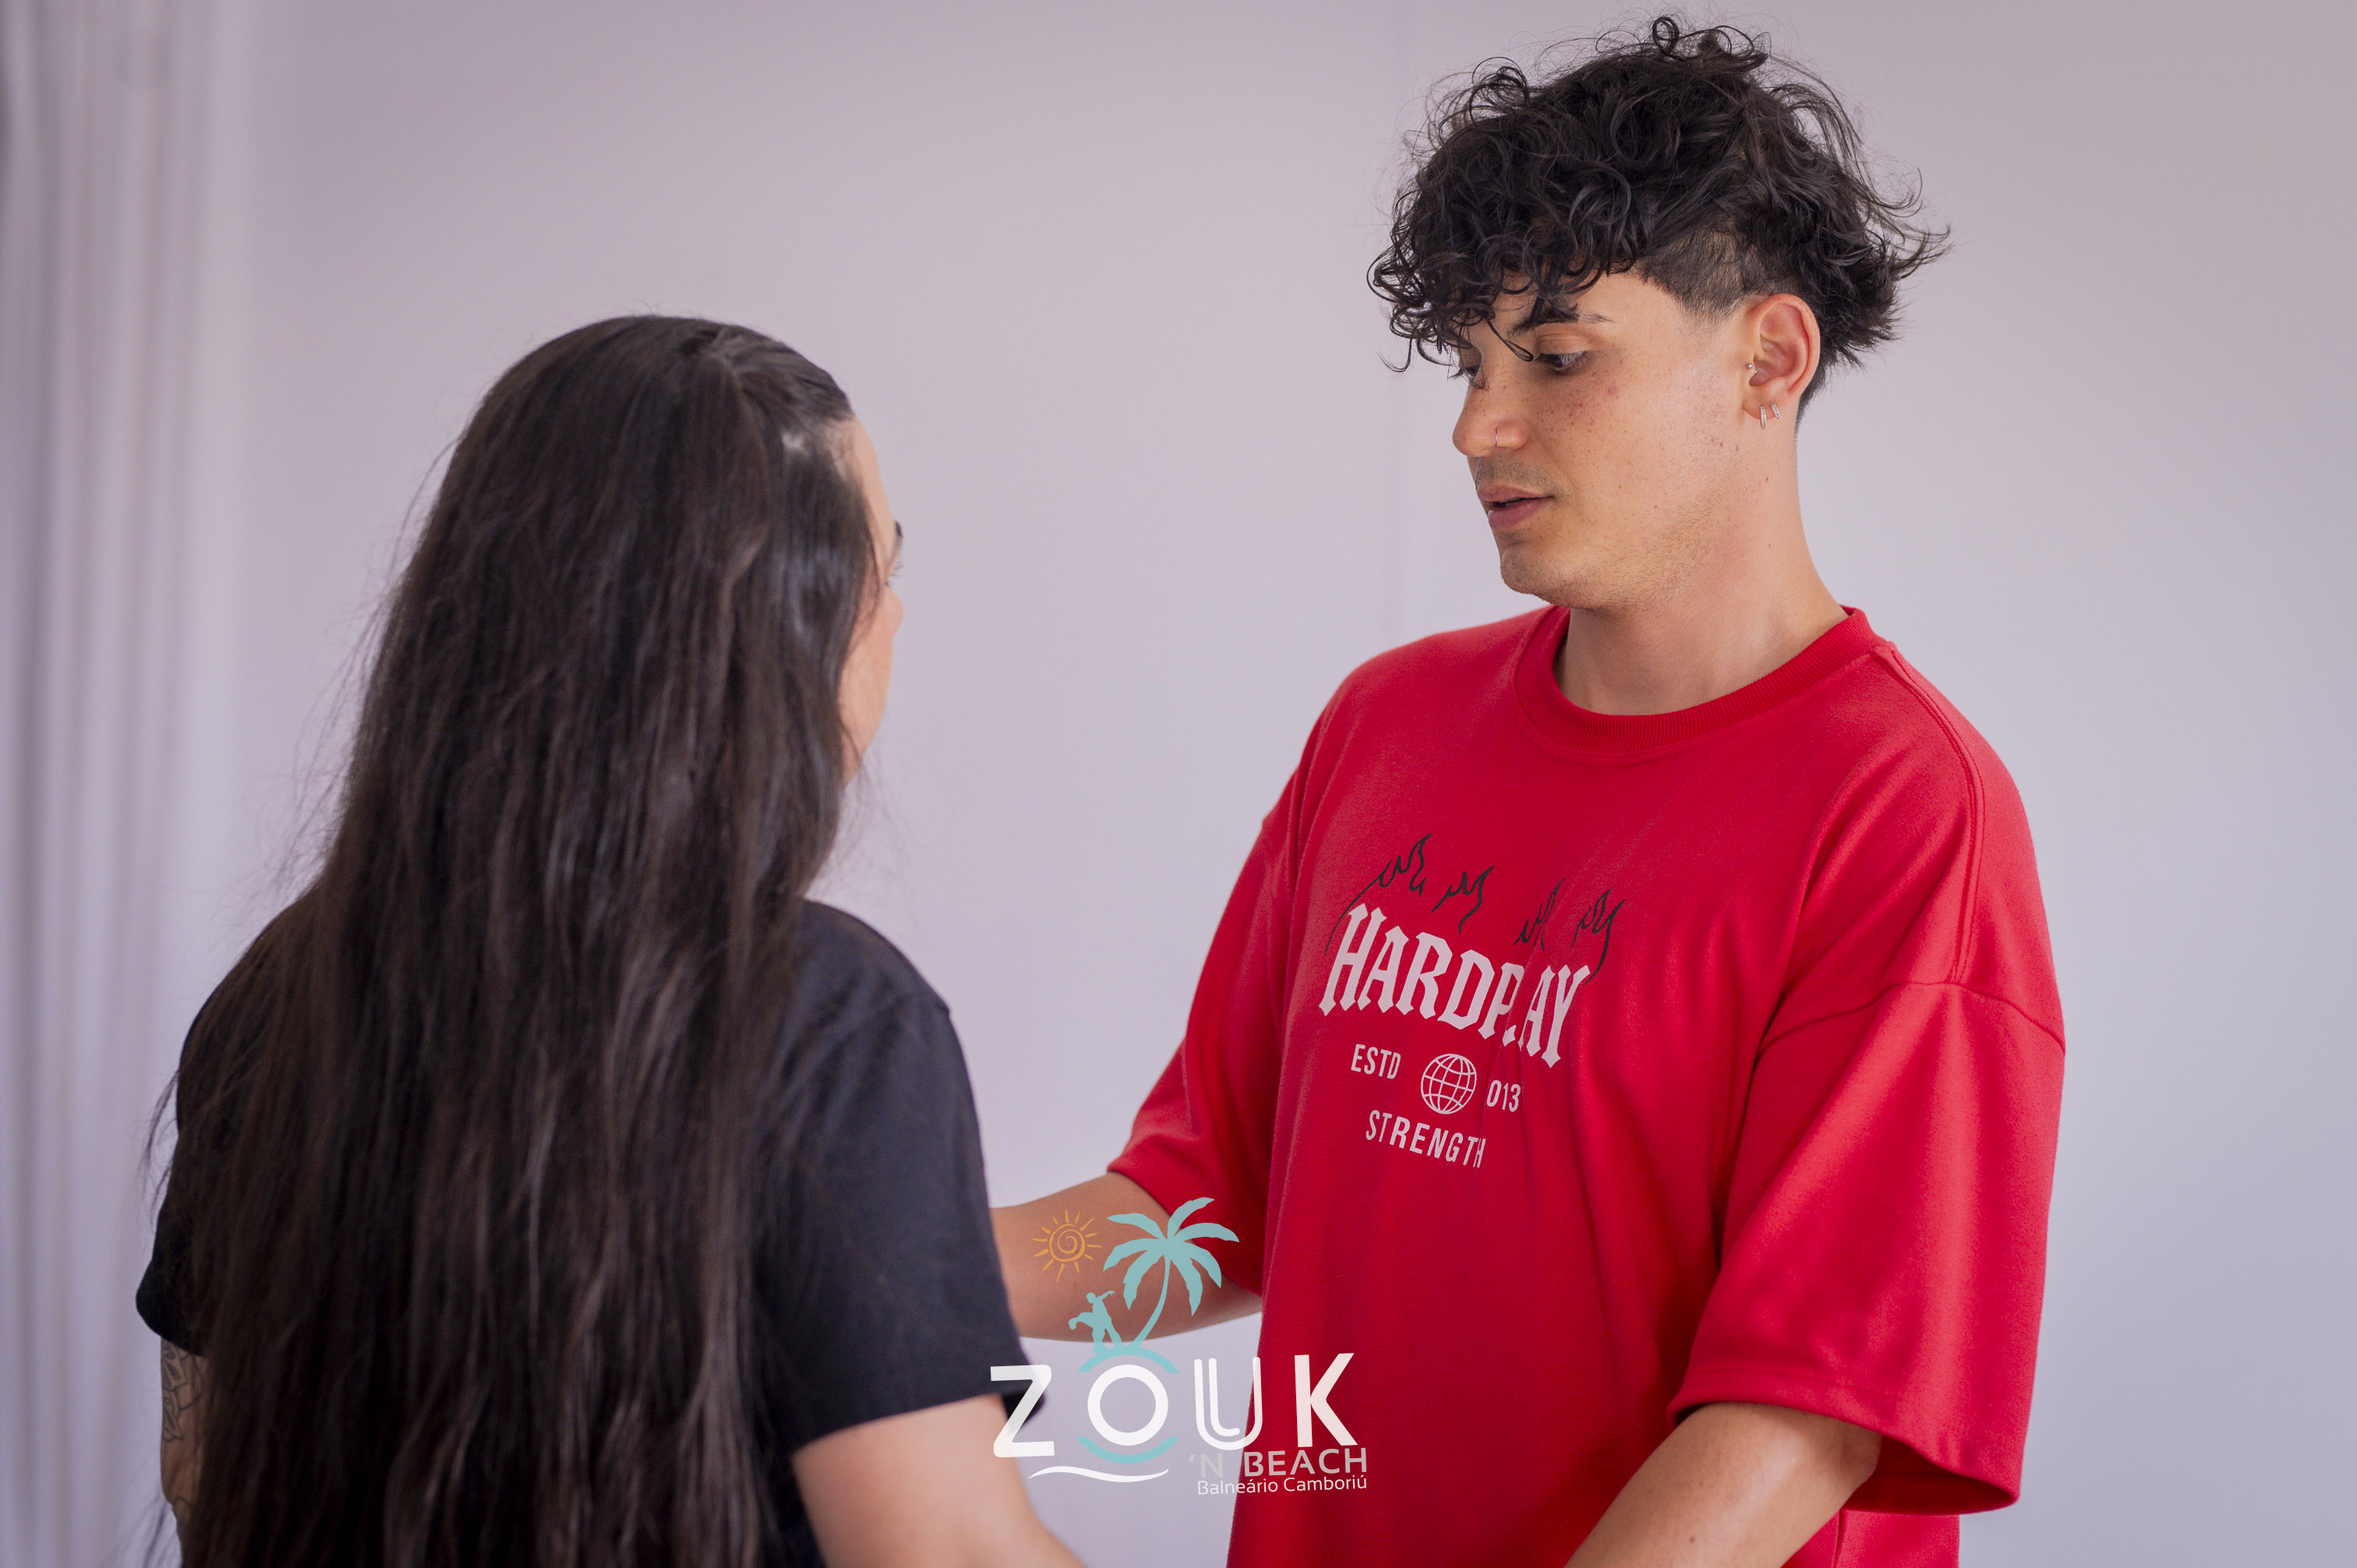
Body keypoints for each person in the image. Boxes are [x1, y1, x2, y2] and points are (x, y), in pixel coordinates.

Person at [991, 19, 2062, 1568]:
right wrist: (854, 1258)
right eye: (1473, 363)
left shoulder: (1902, 812)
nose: (1478, 427)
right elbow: (1206, 1208)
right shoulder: (1387, 727)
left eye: (1558, 360)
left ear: (1768, 360)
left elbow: (1806, 1414)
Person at [140, 316, 1082, 1568]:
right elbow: (946, 1553)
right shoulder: (830, 1018)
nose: (894, 620)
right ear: (783, 638)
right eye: (876, 574)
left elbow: (201, 1470)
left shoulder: (275, 993)